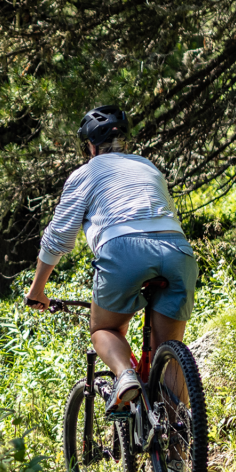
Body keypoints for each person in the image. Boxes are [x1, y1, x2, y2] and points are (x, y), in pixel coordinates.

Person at [24, 105, 198, 419]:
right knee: (169, 353)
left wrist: (37, 290)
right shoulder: (148, 167)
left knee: (105, 328)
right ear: (125, 141)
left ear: (90, 146)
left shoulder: (85, 173)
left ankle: (125, 376)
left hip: (123, 250)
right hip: (177, 250)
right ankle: (178, 453)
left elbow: (57, 238)